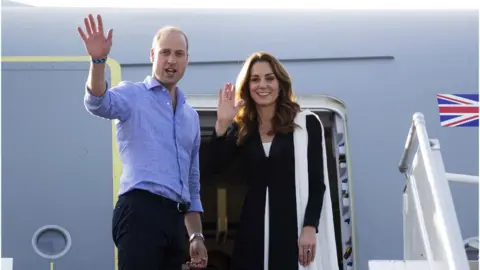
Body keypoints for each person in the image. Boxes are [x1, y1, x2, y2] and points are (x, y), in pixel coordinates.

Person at [78, 14, 208, 270]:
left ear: (187, 60)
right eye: (165, 52)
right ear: (152, 55)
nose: (171, 60)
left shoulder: (190, 117)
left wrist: (196, 235)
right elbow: (97, 102)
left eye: (179, 54)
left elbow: (192, 183)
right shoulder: (133, 95)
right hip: (140, 210)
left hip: (175, 219)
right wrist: (98, 61)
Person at [208, 52, 327, 270]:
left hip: (292, 227)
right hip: (251, 230)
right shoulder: (242, 128)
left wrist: (310, 226)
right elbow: (214, 167)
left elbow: (317, 183)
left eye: (269, 78)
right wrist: (222, 126)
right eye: (255, 79)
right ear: (247, 87)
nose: (262, 85)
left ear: (280, 83)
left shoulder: (305, 124)